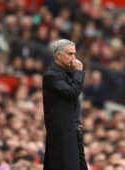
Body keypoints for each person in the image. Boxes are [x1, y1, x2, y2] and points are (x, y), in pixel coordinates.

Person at [42, 39, 88, 170]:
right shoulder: (51, 75)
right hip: (62, 131)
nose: (73, 58)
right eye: (69, 54)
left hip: (73, 127)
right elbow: (72, 92)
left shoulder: (66, 71)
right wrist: (78, 72)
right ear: (58, 55)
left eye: (74, 54)